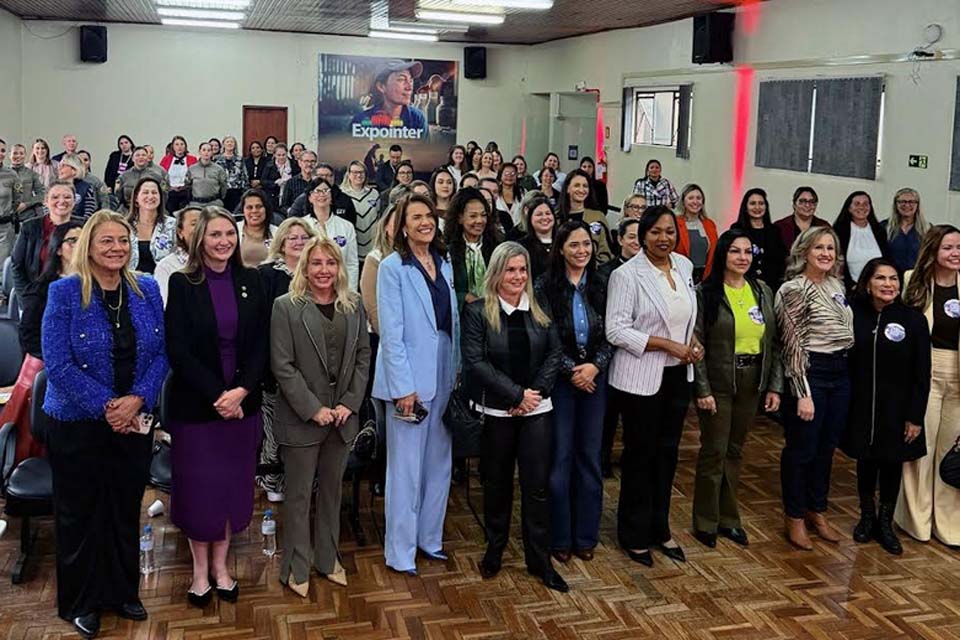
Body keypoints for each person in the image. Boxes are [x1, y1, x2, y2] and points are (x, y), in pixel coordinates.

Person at [42, 210, 168, 638]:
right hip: (77, 423)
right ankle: (81, 601)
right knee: (80, 514)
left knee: (122, 508)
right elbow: (57, 365)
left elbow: (161, 354)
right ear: (87, 247)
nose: (117, 248)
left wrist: (136, 401)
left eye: (123, 240)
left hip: (133, 422)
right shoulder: (64, 293)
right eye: (106, 241)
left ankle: (121, 592)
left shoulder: (146, 288)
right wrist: (109, 406)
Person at [165, 206, 269, 607]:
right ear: (199, 240)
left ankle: (222, 568)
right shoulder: (182, 282)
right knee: (198, 491)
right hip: (197, 407)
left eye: (229, 233)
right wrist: (218, 396)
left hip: (242, 407)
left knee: (229, 489)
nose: (223, 241)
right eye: (214, 235)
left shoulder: (253, 282)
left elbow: (262, 344)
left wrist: (240, 391)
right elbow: (179, 350)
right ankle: (198, 572)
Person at [461, 241, 567, 592]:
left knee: (537, 487)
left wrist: (532, 396)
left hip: (538, 410)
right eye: (510, 270)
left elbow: (554, 353)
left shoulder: (539, 306)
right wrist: (516, 395)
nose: (518, 276)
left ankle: (540, 560)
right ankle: (495, 548)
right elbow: (476, 362)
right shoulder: (478, 312)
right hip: (497, 411)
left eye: (522, 270)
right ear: (496, 273)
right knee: (497, 484)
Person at [270, 235, 371, 596]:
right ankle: (296, 567)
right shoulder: (285, 306)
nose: (324, 270)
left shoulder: (353, 304)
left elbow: (363, 356)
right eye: (316, 263)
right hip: (302, 419)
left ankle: (328, 559)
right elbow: (283, 367)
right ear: (304, 267)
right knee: (298, 496)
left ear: (339, 267)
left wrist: (349, 403)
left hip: (343, 419)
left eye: (331, 263)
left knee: (332, 492)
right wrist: (314, 409)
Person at [605, 206, 702, 566]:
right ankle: (633, 533)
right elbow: (616, 330)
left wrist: (692, 341)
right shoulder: (626, 275)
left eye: (670, 232)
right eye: (656, 232)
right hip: (640, 378)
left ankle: (659, 528)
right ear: (642, 235)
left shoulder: (684, 266)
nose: (664, 239)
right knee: (640, 456)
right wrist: (664, 344)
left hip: (678, 375)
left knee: (667, 455)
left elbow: (685, 315)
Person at [372, 193, 458, 576]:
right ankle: (400, 551)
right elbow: (391, 334)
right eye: (416, 216)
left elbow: (450, 322)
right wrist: (403, 388)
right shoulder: (393, 267)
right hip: (407, 375)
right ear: (402, 226)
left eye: (429, 215)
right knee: (405, 468)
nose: (425, 222)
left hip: (444, 366)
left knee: (439, 461)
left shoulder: (445, 262)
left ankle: (430, 539)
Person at [692, 229, 783, 548]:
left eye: (747, 252)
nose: (743, 258)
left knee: (735, 450)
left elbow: (774, 342)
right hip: (718, 381)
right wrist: (701, 389)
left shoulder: (762, 291)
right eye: (735, 252)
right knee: (714, 451)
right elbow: (696, 343)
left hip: (752, 379)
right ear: (723, 256)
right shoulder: (706, 293)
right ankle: (705, 520)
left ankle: (729, 519)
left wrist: (774, 386)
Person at [535, 220, 612, 563]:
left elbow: (614, 331)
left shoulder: (602, 284)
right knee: (560, 458)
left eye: (586, 245)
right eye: (574, 245)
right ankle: (560, 536)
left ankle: (585, 535)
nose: (582, 251)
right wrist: (572, 371)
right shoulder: (545, 285)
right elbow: (544, 336)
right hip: (560, 384)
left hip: (595, 380)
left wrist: (594, 366)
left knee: (590, 459)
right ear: (560, 249)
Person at [842, 258, 930, 555]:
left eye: (893, 279)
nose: (888, 284)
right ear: (868, 282)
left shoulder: (913, 320)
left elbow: (922, 374)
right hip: (862, 405)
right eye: (881, 278)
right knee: (866, 460)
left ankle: (885, 522)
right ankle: (866, 517)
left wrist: (915, 416)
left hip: (899, 408)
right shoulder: (852, 314)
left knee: (892, 462)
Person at [775, 226, 853, 550]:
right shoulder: (794, 289)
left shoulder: (836, 284)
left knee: (826, 449)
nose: (825, 253)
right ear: (804, 251)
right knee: (802, 450)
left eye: (830, 248)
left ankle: (816, 510)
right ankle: (793, 517)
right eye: (818, 247)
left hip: (841, 373)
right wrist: (802, 392)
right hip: (811, 374)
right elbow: (791, 346)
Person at [897, 225, 960, 545]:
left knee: (951, 451)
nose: (956, 253)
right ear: (934, 250)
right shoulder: (912, 280)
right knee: (922, 449)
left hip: (958, 376)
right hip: (926, 374)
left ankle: (948, 524)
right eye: (949, 247)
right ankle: (915, 520)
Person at [2, 222, 82, 470]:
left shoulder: (96, 283)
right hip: (44, 367)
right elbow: (28, 334)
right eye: (72, 241)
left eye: (83, 240)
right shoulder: (43, 287)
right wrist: (57, 361)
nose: (79, 246)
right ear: (58, 249)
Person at [256, 218, 317, 502]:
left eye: (303, 236)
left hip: (313, 362)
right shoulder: (266, 274)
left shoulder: (318, 270)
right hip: (276, 361)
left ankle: (307, 478)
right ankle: (273, 479)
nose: (297, 241)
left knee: (308, 422)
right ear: (281, 241)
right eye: (291, 237)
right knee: (275, 421)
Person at [598, 216, 641, 477]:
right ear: (620, 239)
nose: (636, 241)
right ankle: (602, 457)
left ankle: (629, 457)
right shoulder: (607, 272)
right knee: (609, 412)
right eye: (631, 236)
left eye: (640, 236)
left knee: (634, 413)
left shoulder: (651, 270)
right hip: (611, 348)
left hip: (640, 351)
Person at [12, 181, 83, 295]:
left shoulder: (85, 227)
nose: (61, 201)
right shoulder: (29, 227)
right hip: (38, 295)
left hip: (78, 294)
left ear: (74, 201)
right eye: (55, 197)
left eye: (67, 197)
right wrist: (26, 299)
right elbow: (17, 267)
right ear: (45, 201)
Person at [445, 187, 501, 309]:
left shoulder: (497, 248)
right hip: (462, 316)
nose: (480, 221)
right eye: (473, 216)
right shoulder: (448, 252)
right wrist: (464, 297)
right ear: (460, 218)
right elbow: (444, 290)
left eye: (483, 215)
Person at [352, 59, 428, 140]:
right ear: (381, 86)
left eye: (411, 80)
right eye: (401, 79)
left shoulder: (417, 119)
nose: (409, 87)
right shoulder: (361, 121)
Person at [303, 180, 359, 289]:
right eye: (317, 191)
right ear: (310, 198)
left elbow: (352, 264)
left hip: (339, 286)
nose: (322, 194)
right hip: (309, 287)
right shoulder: (302, 225)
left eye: (326, 191)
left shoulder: (346, 226)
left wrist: (351, 292)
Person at [731, 188, 787, 291]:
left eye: (761, 203)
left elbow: (781, 260)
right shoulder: (737, 229)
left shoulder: (775, 231)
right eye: (752, 203)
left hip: (772, 286)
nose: (757, 207)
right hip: (744, 284)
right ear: (745, 207)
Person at [834, 191, 891, 292]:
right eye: (857, 204)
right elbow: (837, 262)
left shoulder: (880, 231)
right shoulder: (839, 231)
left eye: (865, 204)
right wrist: (851, 285)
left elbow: (887, 259)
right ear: (849, 208)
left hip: (878, 288)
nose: (861, 207)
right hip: (851, 289)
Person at [557, 168, 614, 264]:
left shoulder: (597, 217)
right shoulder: (556, 218)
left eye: (585, 186)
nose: (581, 190)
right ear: (567, 188)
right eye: (576, 185)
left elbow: (606, 252)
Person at [127, 177, 176, 274]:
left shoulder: (172, 225)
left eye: (154, 193)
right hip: (132, 282)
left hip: (164, 282)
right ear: (136, 198)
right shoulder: (124, 226)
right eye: (145, 192)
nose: (150, 196)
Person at [154, 206, 201, 305]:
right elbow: (165, 306)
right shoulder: (166, 266)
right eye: (194, 224)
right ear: (180, 232)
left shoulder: (218, 262)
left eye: (205, 224)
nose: (201, 228)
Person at [675, 184, 718, 283]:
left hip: (705, 278)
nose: (695, 201)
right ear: (683, 202)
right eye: (690, 198)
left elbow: (714, 253)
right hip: (680, 277)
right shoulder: (675, 223)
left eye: (698, 198)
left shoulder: (710, 224)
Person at [341, 160, 381, 262]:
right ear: (348, 175)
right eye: (355, 172)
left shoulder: (374, 194)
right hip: (350, 250)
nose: (358, 175)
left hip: (372, 249)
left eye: (361, 172)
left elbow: (379, 217)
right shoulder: (341, 195)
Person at [884, 188, 929, 274]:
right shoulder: (884, 227)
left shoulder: (927, 229)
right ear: (895, 204)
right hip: (891, 278)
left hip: (917, 278)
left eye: (911, 202)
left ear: (917, 205)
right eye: (902, 202)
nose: (907, 205)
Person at [774, 186, 829, 251]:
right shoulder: (779, 226)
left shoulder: (824, 226)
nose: (807, 205)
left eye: (812, 202)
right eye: (802, 201)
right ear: (794, 204)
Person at [116, 147, 168, 212]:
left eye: (143, 155)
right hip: (127, 211)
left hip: (150, 210)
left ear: (147, 158)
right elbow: (118, 196)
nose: (141, 157)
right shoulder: (123, 176)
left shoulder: (157, 176)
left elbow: (164, 196)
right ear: (132, 158)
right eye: (137, 155)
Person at [517, 196, 556, 280]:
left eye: (548, 213)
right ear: (530, 219)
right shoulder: (521, 246)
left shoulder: (563, 242)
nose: (545, 217)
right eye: (539, 214)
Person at [237, 188, 278, 267]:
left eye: (259, 206)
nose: (254, 211)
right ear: (243, 211)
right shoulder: (233, 230)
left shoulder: (277, 232)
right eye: (249, 207)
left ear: (266, 209)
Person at [160, 136, 198, 214]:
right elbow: (161, 177)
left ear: (185, 146)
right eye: (177, 144)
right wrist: (170, 188)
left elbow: (196, 176)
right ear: (173, 147)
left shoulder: (192, 159)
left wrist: (185, 186)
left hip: (186, 193)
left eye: (182, 144)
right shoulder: (166, 159)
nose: (179, 147)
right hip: (170, 193)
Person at [9, 143, 46, 218]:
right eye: (15, 153)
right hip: (6, 218)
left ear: (25, 155)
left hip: (28, 216)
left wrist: (26, 204)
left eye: (21, 153)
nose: (18, 156)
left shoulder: (32, 174)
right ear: (9, 155)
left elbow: (42, 194)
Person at [185, 142, 228, 208]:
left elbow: (223, 186)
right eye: (204, 150)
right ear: (199, 152)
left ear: (212, 152)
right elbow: (187, 186)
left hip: (214, 203)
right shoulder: (192, 169)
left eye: (209, 150)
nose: (206, 153)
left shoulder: (219, 169)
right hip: (196, 203)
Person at [56, 154, 98, 219]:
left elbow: (89, 212)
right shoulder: (54, 188)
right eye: (59, 165)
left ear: (74, 170)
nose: (59, 168)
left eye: (63, 165)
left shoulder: (86, 188)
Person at [215, 135, 248, 213]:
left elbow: (244, 176)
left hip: (236, 191)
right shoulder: (216, 159)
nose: (230, 144)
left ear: (235, 145)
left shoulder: (240, 159)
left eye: (232, 142)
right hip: (221, 192)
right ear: (223, 144)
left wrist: (245, 191)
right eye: (227, 142)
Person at [263, 143, 295, 208]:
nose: (281, 157)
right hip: (273, 197)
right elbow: (263, 181)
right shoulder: (269, 165)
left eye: (283, 155)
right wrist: (275, 183)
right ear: (274, 155)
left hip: (290, 195)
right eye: (279, 155)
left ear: (287, 153)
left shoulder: (293, 164)